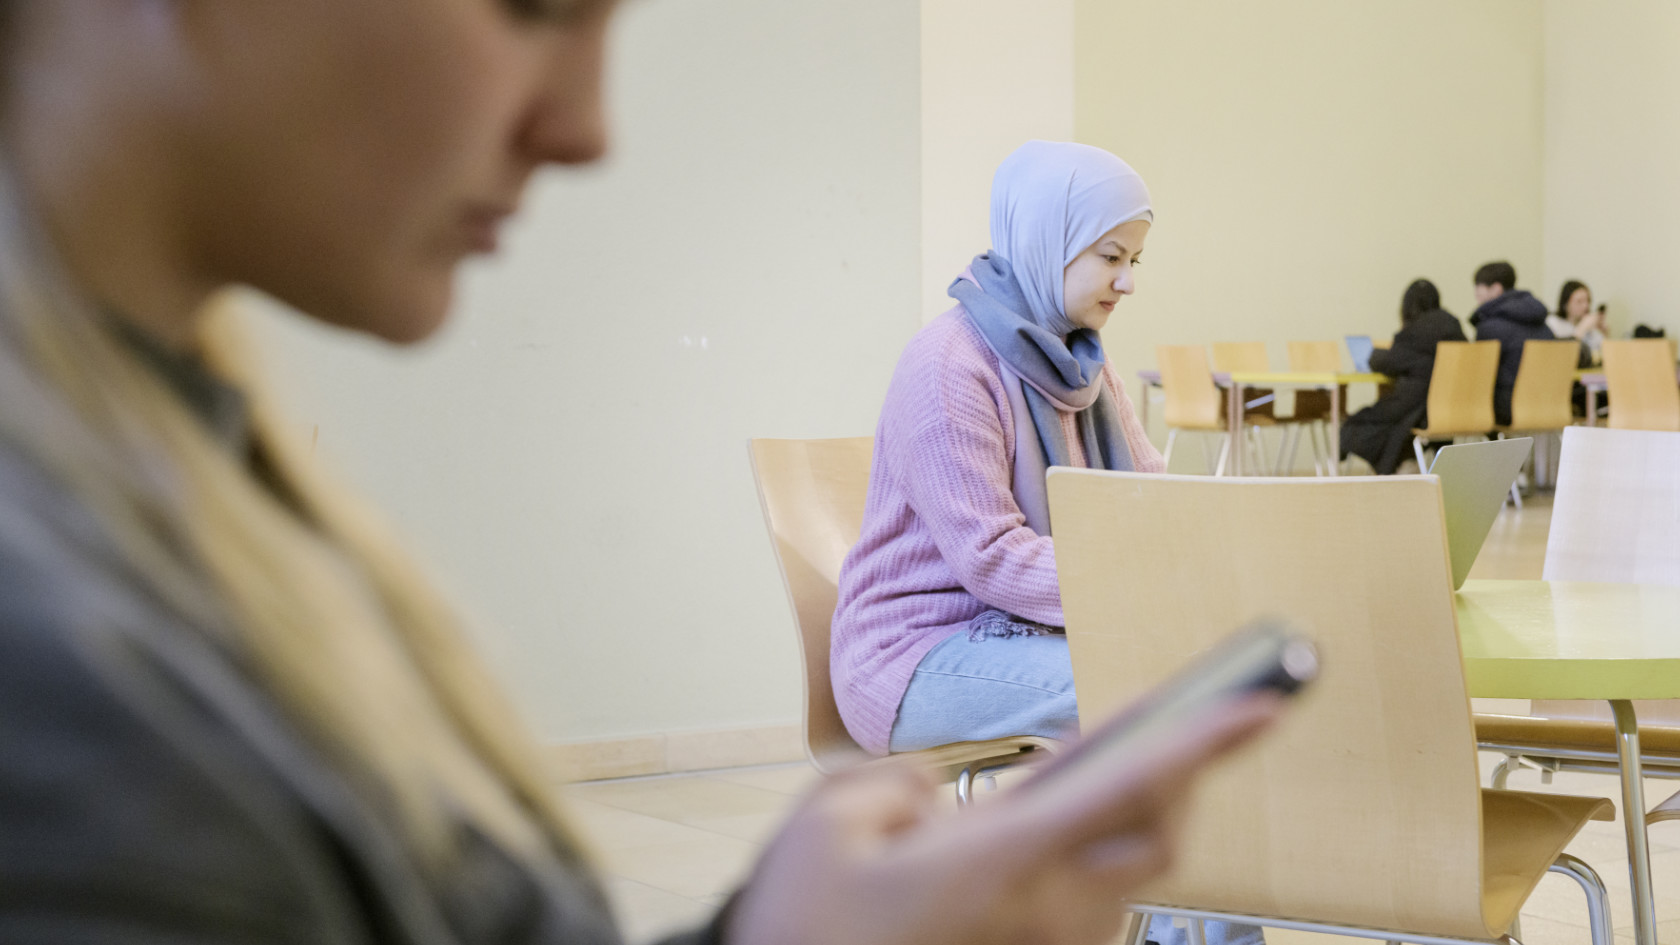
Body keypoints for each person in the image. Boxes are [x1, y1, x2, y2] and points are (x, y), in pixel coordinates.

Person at [0, 3, 1280, 945]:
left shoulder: (205, 509)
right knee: (1138, 679)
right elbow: (993, 552)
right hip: (929, 656)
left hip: (1002, 641)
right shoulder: (64, 666)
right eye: (533, 9)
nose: (588, 128)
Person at [829, 141, 1262, 945]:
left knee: (1217, 678)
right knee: (1159, 697)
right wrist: (1148, 588)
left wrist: (1238, 541)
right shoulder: (948, 364)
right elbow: (989, 556)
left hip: (1028, 634)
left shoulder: (1087, 368)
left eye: (1135, 258)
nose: (1129, 280)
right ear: (1045, 239)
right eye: (1110, 256)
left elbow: (1152, 496)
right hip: (914, 655)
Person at [1340, 280, 1467, 474]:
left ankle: (1400, 464)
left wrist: (1373, 354)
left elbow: (1389, 361)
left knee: (1357, 424)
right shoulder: (1455, 329)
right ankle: (1407, 463)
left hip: (1420, 409)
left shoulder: (1415, 332)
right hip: (1457, 408)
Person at [1466, 261, 1550, 427]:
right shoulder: (1543, 324)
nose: (1477, 298)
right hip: (1549, 405)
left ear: (1496, 289)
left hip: (1508, 408)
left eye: (1479, 291)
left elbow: (1479, 375)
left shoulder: (1490, 327)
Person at [1546, 279, 1606, 367]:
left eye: (1588, 301)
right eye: (1579, 301)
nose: (1586, 306)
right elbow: (1561, 355)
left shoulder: (1589, 326)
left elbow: (1603, 354)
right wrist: (1581, 329)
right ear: (1565, 304)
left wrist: (1605, 333)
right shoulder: (1552, 323)